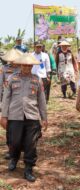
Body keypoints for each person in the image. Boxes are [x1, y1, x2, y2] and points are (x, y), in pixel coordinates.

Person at [0, 53, 47, 182]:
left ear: (32, 66)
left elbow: (42, 100)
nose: (27, 67)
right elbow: (6, 98)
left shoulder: (37, 79)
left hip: (32, 116)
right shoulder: (11, 78)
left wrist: (44, 118)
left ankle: (28, 168)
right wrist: (4, 116)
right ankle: (14, 158)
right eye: (24, 65)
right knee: (14, 141)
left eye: (29, 65)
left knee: (31, 144)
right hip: (14, 116)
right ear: (21, 65)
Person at [0, 49, 22, 160]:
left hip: (18, 100)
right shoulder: (4, 69)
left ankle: (19, 146)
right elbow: (0, 85)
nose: (13, 61)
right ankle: (10, 149)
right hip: (6, 100)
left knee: (18, 124)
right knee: (8, 126)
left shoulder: (22, 68)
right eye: (11, 59)